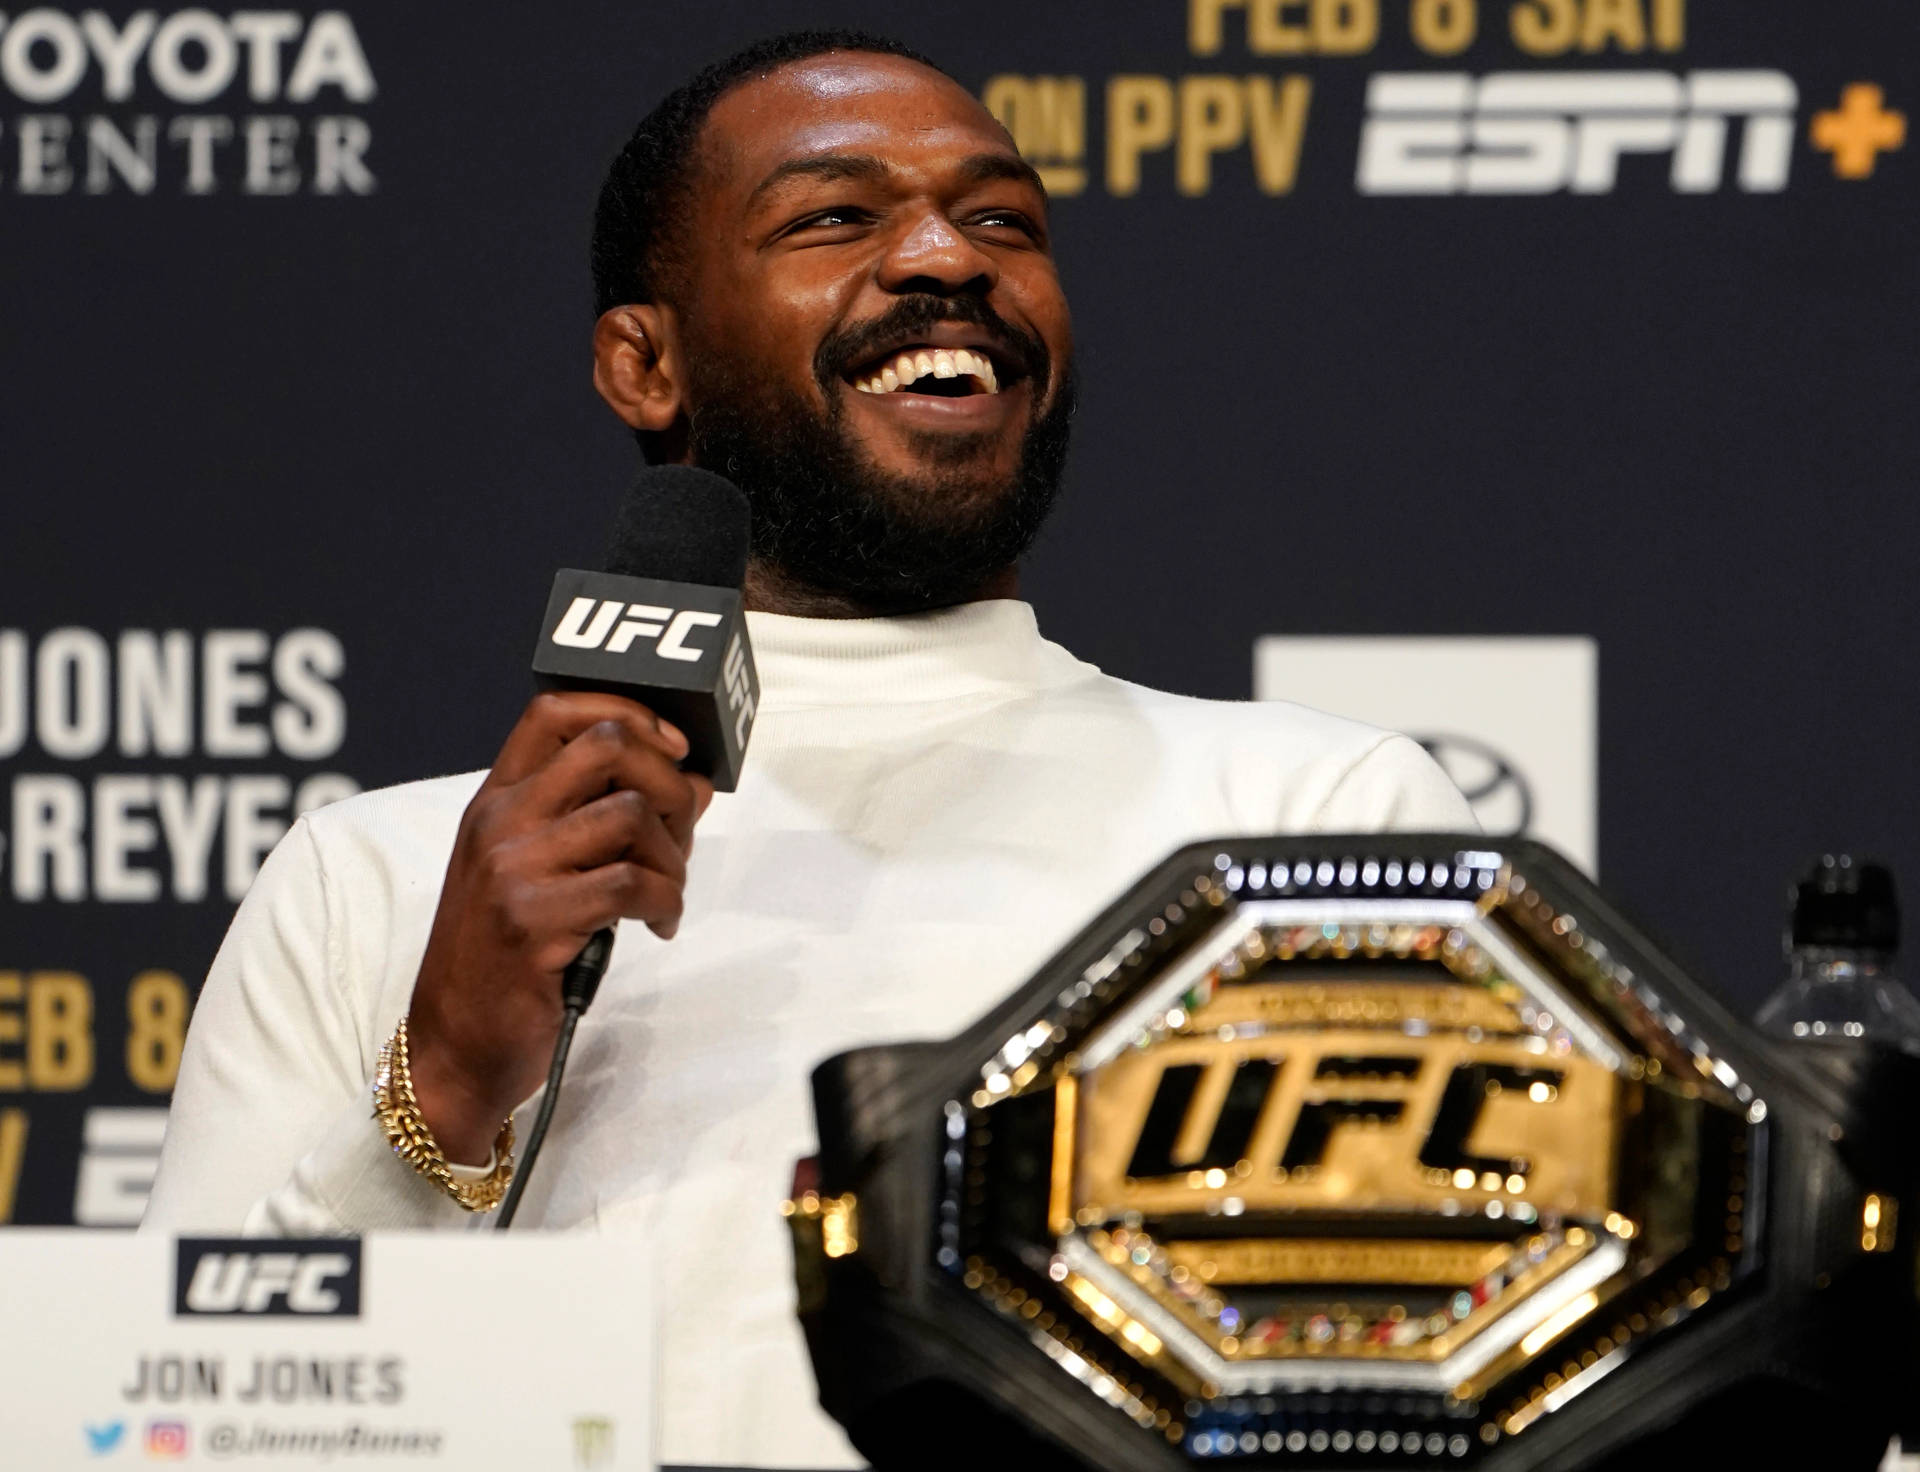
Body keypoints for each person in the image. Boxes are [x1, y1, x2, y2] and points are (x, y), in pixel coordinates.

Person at [143, 28, 1475, 1469]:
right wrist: (450, 1073)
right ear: (644, 363)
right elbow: (175, 1430)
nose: (945, 259)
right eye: (837, 217)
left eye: (1002, 221)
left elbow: (1414, 1395)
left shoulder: (1313, 817)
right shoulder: (380, 876)